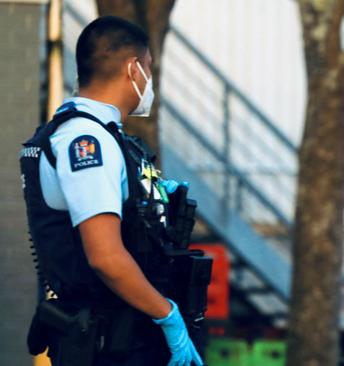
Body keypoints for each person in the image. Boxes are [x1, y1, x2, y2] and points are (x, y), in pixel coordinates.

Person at [20, 16, 205, 366]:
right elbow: (105, 256)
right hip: (113, 341)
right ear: (133, 69)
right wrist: (168, 316)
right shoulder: (86, 141)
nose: (150, 79)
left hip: (123, 333)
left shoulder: (106, 138)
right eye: (149, 68)